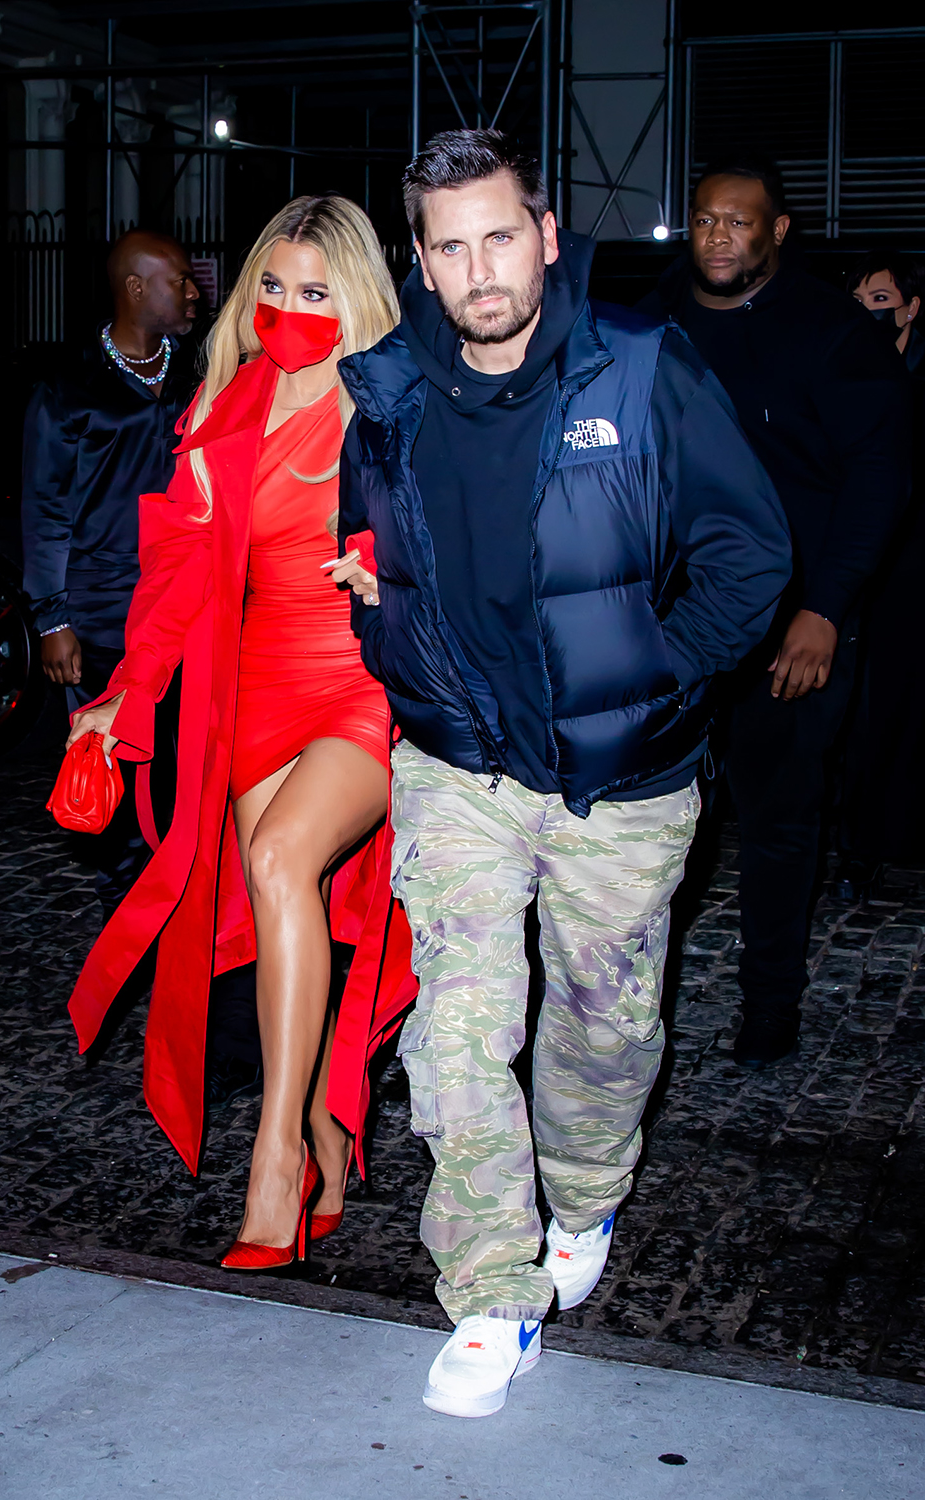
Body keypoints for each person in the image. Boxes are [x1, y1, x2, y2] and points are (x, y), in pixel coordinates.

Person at [336, 129, 791, 1419]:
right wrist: (390, 639)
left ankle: (585, 1197)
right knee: (461, 1028)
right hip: (459, 770)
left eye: (498, 235)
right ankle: (490, 1293)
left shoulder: (640, 370)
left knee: (605, 1030)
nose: (479, 268)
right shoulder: (385, 395)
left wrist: (661, 670)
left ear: (542, 236)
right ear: (421, 265)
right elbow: (364, 556)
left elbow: (752, 551)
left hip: (627, 788)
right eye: (448, 245)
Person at [62, 196, 415, 1267]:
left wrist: (394, 585)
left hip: (360, 686)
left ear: (354, 297)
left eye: (314, 291)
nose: (287, 308)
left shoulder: (394, 402)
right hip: (254, 691)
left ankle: (272, 1156)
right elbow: (174, 571)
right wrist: (130, 686)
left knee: (276, 857)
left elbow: (467, 546)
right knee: (274, 907)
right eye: (271, 284)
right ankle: (313, 1121)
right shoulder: (224, 404)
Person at [640, 155, 912, 1070]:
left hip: (793, 627)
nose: (719, 236)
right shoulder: (652, 317)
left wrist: (827, 610)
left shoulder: (833, 331)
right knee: (641, 820)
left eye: (740, 222)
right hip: (668, 621)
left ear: (778, 231)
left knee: (777, 820)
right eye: (706, 219)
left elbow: (880, 476)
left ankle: (769, 1006)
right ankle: (633, 1004)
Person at [22, 230, 200, 918]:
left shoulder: (193, 372)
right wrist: (52, 617)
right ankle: (129, 914)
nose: (193, 292)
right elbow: (45, 509)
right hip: (101, 615)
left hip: (183, 605)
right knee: (118, 768)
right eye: (178, 280)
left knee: (180, 769)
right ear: (136, 289)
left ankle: (172, 902)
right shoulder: (70, 388)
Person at [836, 249, 925, 881]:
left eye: (883, 301)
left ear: (912, 308)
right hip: (861, 568)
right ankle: (859, 843)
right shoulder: (845, 378)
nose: (870, 315)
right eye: (860, 302)